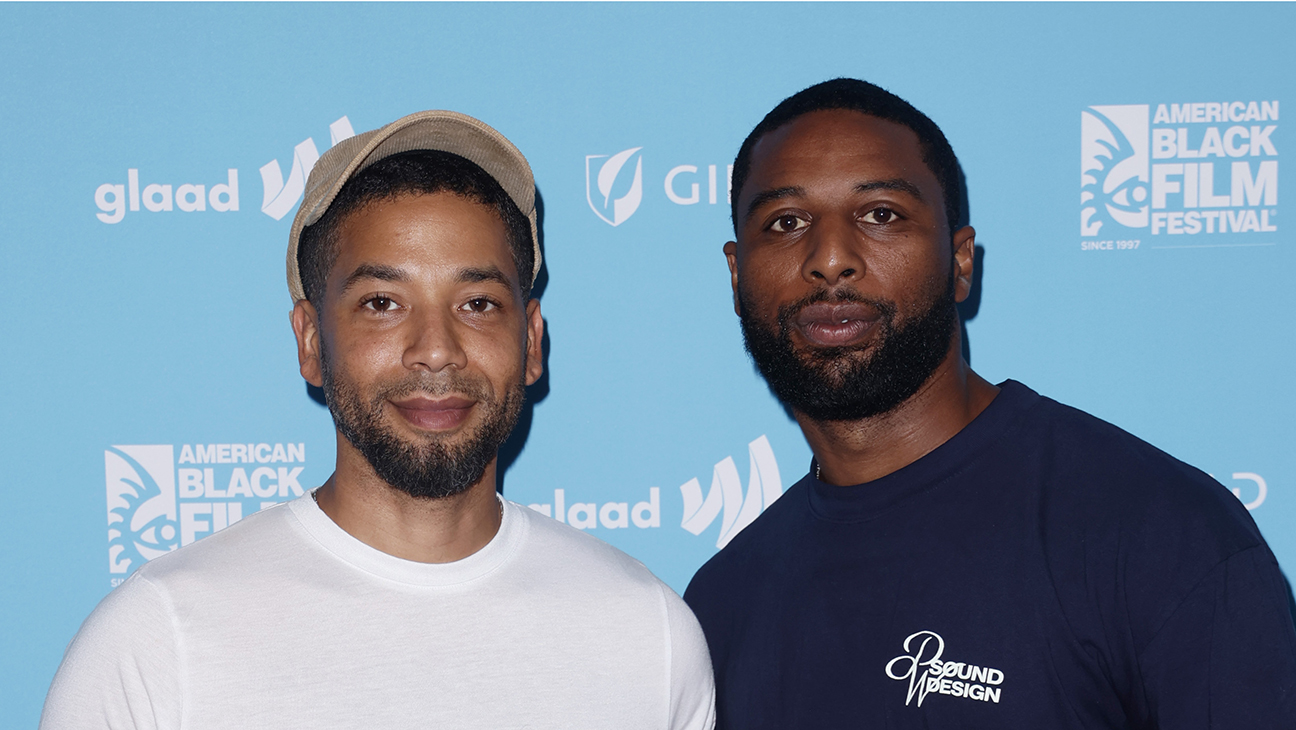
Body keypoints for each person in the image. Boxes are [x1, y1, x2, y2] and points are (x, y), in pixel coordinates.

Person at [43, 110, 715, 730]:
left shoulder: (646, 633)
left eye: (477, 303)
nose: (435, 350)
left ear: (532, 341)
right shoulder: (159, 642)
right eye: (382, 303)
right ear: (310, 342)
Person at [683, 78, 1296, 729]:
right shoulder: (724, 601)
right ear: (735, 274)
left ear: (962, 262)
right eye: (787, 223)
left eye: (881, 214)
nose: (831, 258)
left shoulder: (1159, 536)